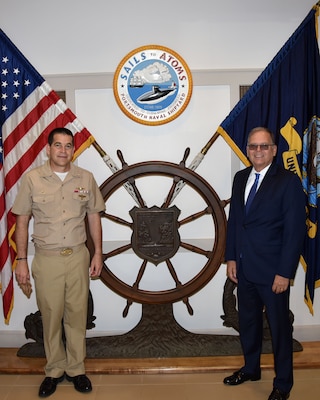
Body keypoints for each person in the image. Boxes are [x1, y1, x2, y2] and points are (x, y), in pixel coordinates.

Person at [12, 127, 105, 397]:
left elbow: (94, 218)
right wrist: (21, 260)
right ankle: (53, 370)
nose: (63, 150)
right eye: (58, 145)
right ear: (48, 149)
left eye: (67, 145)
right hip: (47, 258)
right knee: (50, 317)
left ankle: (76, 370)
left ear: (72, 149)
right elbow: (22, 220)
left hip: (77, 256)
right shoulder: (32, 179)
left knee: (77, 317)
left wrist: (97, 252)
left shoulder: (85, 178)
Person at [223, 127, 306, 400]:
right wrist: (231, 257)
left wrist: (285, 272)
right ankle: (251, 368)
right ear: (247, 150)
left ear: (273, 149)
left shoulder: (288, 181)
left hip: (273, 273)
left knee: (279, 329)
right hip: (244, 268)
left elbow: (295, 232)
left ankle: (283, 384)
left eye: (263, 146)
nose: (258, 151)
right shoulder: (239, 178)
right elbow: (235, 221)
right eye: (253, 146)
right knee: (248, 323)